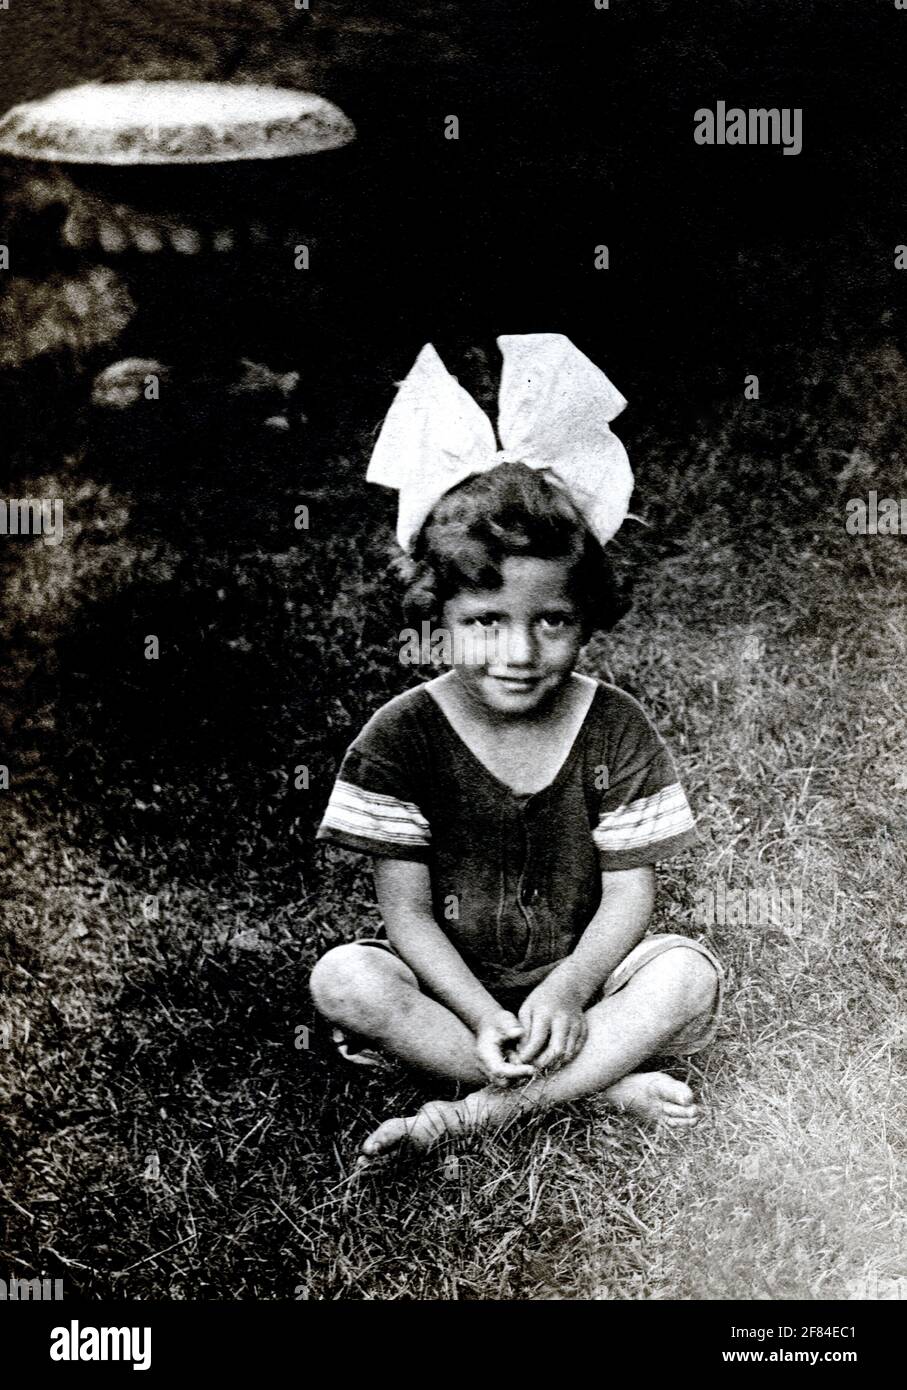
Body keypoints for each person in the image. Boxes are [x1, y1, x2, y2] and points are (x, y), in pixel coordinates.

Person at [310, 334, 723, 1158]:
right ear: (440, 616)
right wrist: (480, 1013)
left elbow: (627, 898)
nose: (520, 652)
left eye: (552, 621)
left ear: (587, 614)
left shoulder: (614, 725)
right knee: (344, 980)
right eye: (484, 622)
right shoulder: (401, 737)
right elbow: (410, 918)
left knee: (686, 977)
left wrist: (569, 991)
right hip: (451, 984)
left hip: (589, 980)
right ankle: (597, 1089)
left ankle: (474, 1113)